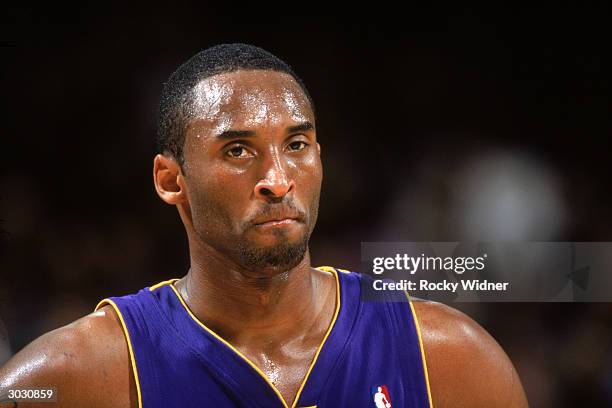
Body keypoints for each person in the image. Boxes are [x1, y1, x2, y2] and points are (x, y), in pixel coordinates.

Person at [0, 43, 528, 407]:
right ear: (170, 179)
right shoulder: (75, 377)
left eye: (296, 145)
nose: (277, 178)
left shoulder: (450, 360)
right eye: (237, 150)